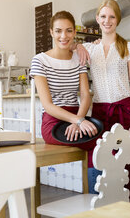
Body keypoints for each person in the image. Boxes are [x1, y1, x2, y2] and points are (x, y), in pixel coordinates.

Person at [77, 0, 130, 205]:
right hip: (100, 115)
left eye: (111, 16)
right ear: (97, 20)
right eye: (103, 16)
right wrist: (76, 45)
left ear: (117, 19)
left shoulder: (128, 47)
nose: (107, 21)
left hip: (125, 110)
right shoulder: (88, 49)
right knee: (102, 163)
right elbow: (62, 45)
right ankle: (104, 208)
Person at [29, 11, 99, 177]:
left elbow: (85, 95)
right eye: (58, 31)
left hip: (77, 115)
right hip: (53, 121)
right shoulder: (40, 60)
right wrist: (78, 121)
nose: (64, 36)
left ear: (75, 32)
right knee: (93, 142)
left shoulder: (78, 58)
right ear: (52, 32)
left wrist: (78, 120)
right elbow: (48, 105)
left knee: (102, 137)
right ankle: (95, 193)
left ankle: (98, 191)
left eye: (68, 30)